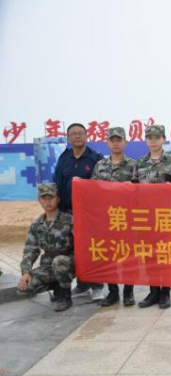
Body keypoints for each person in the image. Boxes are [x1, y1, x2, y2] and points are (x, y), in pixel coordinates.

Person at [133, 125, 171, 309]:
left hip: (166, 216)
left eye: (157, 137)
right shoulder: (139, 163)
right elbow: (132, 189)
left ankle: (165, 293)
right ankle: (153, 291)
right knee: (149, 256)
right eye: (150, 137)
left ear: (163, 139)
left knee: (166, 255)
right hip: (145, 217)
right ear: (146, 140)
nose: (153, 141)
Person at [53, 122, 104, 300]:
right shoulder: (64, 158)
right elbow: (57, 182)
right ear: (68, 138)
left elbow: (101, 186)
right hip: (67, 212)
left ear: (86, 136)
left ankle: (97, 285)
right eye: (73, 134)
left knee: (92, 248)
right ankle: (82, 284)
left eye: (80, 133)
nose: (77, 136)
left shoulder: (95, 158)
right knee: (73, 248)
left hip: (89, 214)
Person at [91, 127, 137, 307]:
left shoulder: (133, 165)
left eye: (119, 140)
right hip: (106, 218)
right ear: (107, 143)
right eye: (112, 140)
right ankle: (113, 292)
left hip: (126, 218)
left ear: (126, 142)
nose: (116, 143)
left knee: (128, 255)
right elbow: (92, 190)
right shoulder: (100, 165)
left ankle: (128, 292)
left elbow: (141, 191)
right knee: (109, 255)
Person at [17, 183, 75, 312]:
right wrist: (26, 272)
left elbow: (82, 244)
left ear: (58, 199)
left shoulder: (70, 220)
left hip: (69, 262)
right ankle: (56, 285)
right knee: (24, 289)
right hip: (48, 265)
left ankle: (65, 296)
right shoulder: (37, 225)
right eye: (44, 198)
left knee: (59, 261)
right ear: (39, 200)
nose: (48, 201)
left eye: (51, 197)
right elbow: (30, 249)